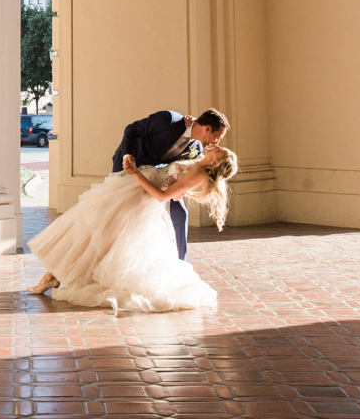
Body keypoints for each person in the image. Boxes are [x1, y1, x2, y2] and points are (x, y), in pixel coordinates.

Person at [27, 145, 238, 310]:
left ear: (216, 163)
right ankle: (53, 275)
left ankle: (54, 276)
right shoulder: (198, 161)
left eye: (219, 151)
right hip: (131, 191)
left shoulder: (198, 174)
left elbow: (162, 196)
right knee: (90, 229)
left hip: (139, 200)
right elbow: (175, 186)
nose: (216, 147)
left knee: (99, 235)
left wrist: (136, 174)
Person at [112, 107, 230, 261]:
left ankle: (181, 262)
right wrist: (127, 156)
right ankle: (115, 256)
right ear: (207, 128)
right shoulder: (169, 120)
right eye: (218, 137)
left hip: (156, 178)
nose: (217, 142)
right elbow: (131, 129)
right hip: (129, 165)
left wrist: (177, 187)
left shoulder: (196, 147)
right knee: (118, 214)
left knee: (180, 213)